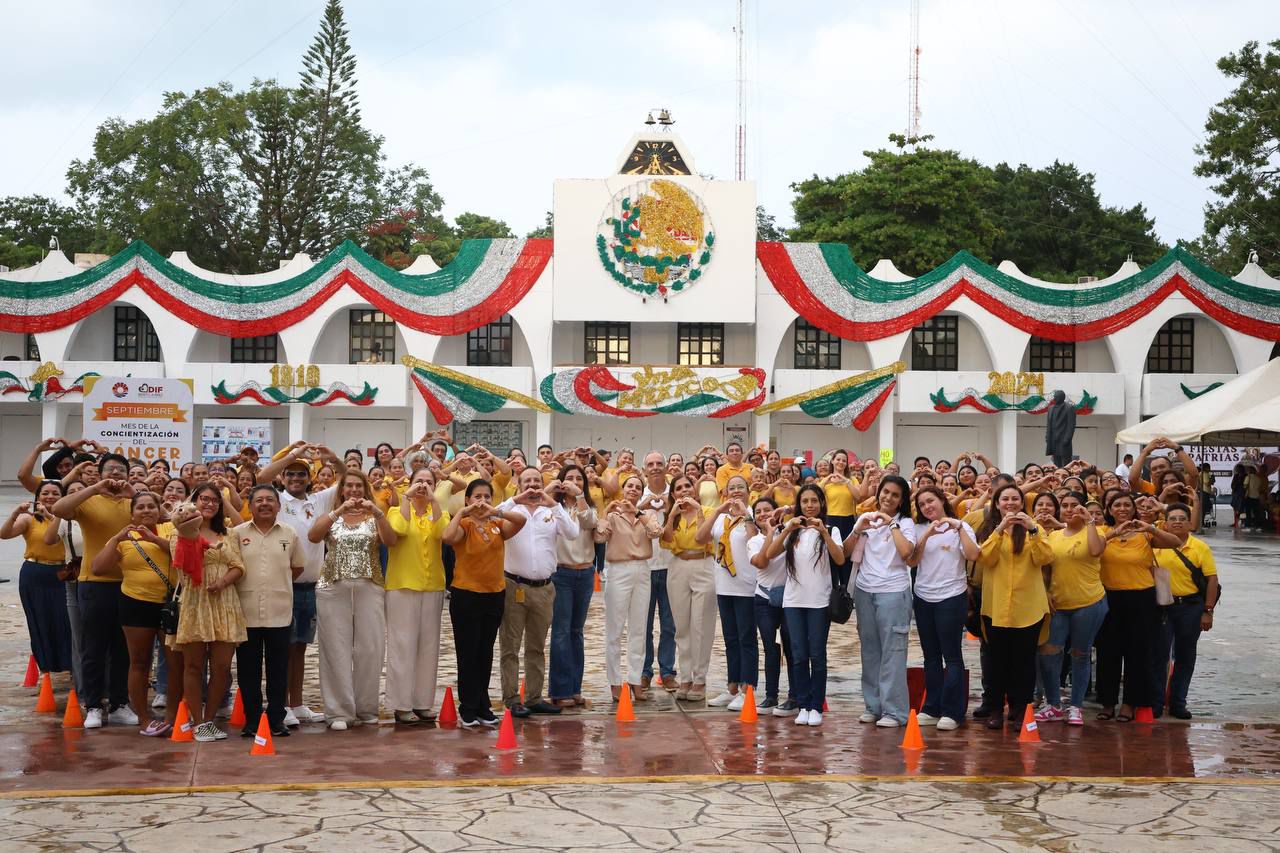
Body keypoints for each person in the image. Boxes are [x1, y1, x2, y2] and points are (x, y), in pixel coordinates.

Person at [257, 444, 341, 726]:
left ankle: (298, 702)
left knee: (301, 647)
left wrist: (330, 457)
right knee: (282, 648)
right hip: (284, 586)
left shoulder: (318, 501)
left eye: (301, 474)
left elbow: (348, 477)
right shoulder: (278, 501)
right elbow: (262, 478)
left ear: (310, 478)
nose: (295, 478)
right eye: (291, 474)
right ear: (284, 477)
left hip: (310, 587)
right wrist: (291, 454)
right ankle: (280, 705)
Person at [51, 453, 136, 729]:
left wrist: (132, 492)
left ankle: (121, 703)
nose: (115, 473)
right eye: (110, 469)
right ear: (100, 473)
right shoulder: (89, 500)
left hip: (129, 583)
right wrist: (94, 489)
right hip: (93, 583)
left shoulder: (133, 502)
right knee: (93, 648)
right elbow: (59, 509)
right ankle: (93, 706)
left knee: (123, 648)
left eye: (121, 470)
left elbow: (160, 515)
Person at [307, 469, 396, 731]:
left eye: (359, 486)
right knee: (335, 648)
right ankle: (338, 712)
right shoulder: (331, 515)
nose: (355, 491)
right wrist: (338, 511)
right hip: (333, 587)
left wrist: (378, 512)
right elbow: (313, 536)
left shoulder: (374, 516)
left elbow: (391, 541)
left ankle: (366, 707)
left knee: (370, 648)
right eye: (350, 487)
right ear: (342, 490)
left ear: (366, 489)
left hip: (370, 585)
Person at [87, 491, 180, 736]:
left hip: (171, 605)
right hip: (136, 604)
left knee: (175, 663)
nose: (147, 511)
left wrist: (153, 538)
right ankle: (144, 718)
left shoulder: (172, 528)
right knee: (139, 662)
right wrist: (116, 538)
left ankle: (172, 716)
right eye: (140, 507)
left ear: (160, 509)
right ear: (132, 513)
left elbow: (184, 554)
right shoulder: (124, 538)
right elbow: (98, 568)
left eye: (152, 506)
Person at [442, 479, 526, 727]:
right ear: (467, 499)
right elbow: (447, 537)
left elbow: (521, 521)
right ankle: (467, 708)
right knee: (467, 653)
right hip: (466, 595)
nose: (482, 501)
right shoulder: (464, 525)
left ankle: (483, 706)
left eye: (487, 497)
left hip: (494, 594)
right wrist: (461, 512)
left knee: (485, 652)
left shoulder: (497, 524)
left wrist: (496, 510)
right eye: (477, 496)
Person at [498, 467, 580, 717]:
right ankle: (511, 699)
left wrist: (553, 504)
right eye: (527, 481)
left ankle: (534, 697)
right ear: (519, 484)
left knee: (536, 646)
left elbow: (573, 533)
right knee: (510, 646)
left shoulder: (552, 512)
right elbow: (491, 515)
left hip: (544, 588)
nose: (532, 485)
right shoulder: (512, 509)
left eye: (537, 480)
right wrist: (515, 499)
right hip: (514, 586)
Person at [170, 483, 248, 742]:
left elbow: (238, 566)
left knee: (222, 667)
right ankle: (197, 720)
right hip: (195, 600)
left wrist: (222, 582)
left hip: (224, 601)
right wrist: (190, 532)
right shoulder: (179, 532)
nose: (209, 504)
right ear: (194, 501)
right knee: (193, 666)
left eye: (215, 500)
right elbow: (181, 565)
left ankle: (210, 718)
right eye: (204, 499)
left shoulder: (229, 534)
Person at [1094, 490, 1181, 722]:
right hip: (1109, 598)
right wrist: (1114, 533)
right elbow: (1093, 549)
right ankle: (1108, 703)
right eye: (1117, 505)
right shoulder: (1103, 531)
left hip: (1142, 599)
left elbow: (1176, 542)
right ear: (1109, 510)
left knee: (1138, 654)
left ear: (1134, 509)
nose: (1122, 509)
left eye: (1126, 505)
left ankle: (1130, 704)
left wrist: (1150, 528)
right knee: (1107, 653)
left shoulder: (1145, 534)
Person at [973, 484, 1053, 730]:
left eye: (1014, 499)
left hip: (1027, 608)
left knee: (1024, 664)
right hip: (996, 608)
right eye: (1004, 499)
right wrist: (999, 530)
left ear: (1022, 502)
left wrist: (1032, 529)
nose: (1010, 503)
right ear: (996, 503)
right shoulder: (989, 529)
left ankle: (1020, 710)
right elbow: (984, 558)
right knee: (996, 663)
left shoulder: (1034, 530)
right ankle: (996, 708)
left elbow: (1045, 558)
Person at [767, 485, 846, 726]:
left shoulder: (831, 529)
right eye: (805, 501)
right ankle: (802, 704)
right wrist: (786, 529)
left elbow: (840, 559)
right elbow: (770, 553)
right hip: (793, 602)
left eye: (814, 501)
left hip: (819, 602)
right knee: (798, 655)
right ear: (799, 504)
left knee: (817, 655)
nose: (810, 505)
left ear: (822, 503)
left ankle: (816, 705)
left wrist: (823, 533)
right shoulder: (793, 531)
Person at [231, 485, 304, 738]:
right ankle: (252, 721)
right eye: (259, 500)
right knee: (248, 670)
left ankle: (276, 719)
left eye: (270, 500)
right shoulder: (237, 534)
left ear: (278, 506)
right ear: (250, 506)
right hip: (245, 611)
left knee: (278, 670)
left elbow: (296, 568)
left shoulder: (290, 533)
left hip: (279, 611)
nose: (264, 504)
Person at [845, 475, 917, 728]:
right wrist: (858, 528)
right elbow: (844, 553)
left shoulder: (905, 523)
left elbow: (907, 552)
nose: (888, 498)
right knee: (870, 650)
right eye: (885, 492)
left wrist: (892, 525)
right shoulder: (866, 519)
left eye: (895, 495)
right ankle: (873, 706)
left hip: (893, 593)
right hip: (865, 591)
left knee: (893, 652)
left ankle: (895, 711)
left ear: (901, 501)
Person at [907, 486, 979, 730]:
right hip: (924, 597)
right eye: (922, 504)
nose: (928, 507)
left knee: (952, 655)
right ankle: (932, 707)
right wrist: (926, 535)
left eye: (931, 501)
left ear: (942, 500)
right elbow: (912, 561)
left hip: (951, 596)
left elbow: (973, 554)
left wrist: (958, 528)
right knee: (931, 656)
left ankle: (953, 711)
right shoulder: (918, 529)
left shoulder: (961, 527)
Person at [1034, 491, 1106, 726]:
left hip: (1089, 602)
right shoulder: (1053, 536)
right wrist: (1045, 593)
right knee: (1048, 653)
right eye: (1064, 505)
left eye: (1075, 505)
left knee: (1080, 654)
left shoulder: (1096, 531)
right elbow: (1045, 568)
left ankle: (1075, 706)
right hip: (1059, 604)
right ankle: (1054, 704)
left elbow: (1096, 551)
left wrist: (1091, 521)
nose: (1069, 509)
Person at [384, 468, 448, 724]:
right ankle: (401, 704)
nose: (423, 485)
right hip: (402, 585)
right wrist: (406, 498)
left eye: (429, 482)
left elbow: (442, 533)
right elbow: (397, 530)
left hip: (432, 585)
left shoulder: (438, 512)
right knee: (402, 645)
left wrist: (433, 501)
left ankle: (423, 702)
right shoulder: (395, 510)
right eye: (419, 481)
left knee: (428, 646)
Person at [597, 473, 663, 702]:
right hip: (619, 570)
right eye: (630, 486)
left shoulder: (644, 516)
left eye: (637, 487)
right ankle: (614, 681)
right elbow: (599, 536)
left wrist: (639, 513)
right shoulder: (613, 515)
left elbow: (657, 532)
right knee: (614, 629)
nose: (633, 490)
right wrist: (607, 512)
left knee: (639, 628)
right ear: (623, 489)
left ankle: (635, 680)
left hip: (643, 570)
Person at [697, 475, 760, 712]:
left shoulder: (753, 514)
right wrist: (716, 511)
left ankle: (748, 688)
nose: (736, 492)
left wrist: (746, 515)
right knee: (730, 639)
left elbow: (756, 540)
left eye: (740, 488)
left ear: (748, 491)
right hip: (724, 585)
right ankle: (732, 686)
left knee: (747, 639)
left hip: (747, 586)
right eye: (731, 488)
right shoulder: (721, 518)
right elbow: (700, 537)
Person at [1153, 503, 1220, 719]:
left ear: (1190, 523)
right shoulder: (1156, 544)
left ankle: (1178, 703)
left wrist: (1207, 610)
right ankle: (1155, 703)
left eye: (1182, 518)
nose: (1178, 522)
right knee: (1160, 655)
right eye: (1173, 518)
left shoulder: (1200, 547)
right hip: (1162, 607)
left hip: (1190, 607)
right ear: (1165, 523)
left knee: (1185, 656)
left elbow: (1212, 580)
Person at [2, 481, 74, 679]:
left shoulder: (68, 517)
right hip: (34, 573)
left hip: (63, 572)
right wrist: (16, 513)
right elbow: (4, 534)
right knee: (39, 620)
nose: (49, 497)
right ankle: (46, 666)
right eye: (45, 493)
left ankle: (68, 663)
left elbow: (63, 534)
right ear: (37, 497)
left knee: (65, 620)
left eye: (55, 493)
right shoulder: (28, 519)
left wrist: (51, 515)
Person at [661, 475, 716, 703]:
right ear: (673, 493)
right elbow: (665, 541)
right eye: (678, 488)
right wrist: (672, 515)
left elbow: (706, 539)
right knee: (681, 626)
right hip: (678, 566)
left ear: (695, 490)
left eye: (687, 486)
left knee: (701, 626)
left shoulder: (709, 511)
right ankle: (685, 677)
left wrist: (699, 511)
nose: (683, 491)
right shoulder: (672, 516)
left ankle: (700, 678)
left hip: (703, 564)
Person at [549, 465, 598, 708]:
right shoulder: (553, 507)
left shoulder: (587, 507)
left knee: (576, 632)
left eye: (579, 479)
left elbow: (589, 524)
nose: (574, 481)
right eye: (569, 478)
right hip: (561, 573)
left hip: (585, 573)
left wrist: (579, 496)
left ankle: (575, 688)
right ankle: (559, 690)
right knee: (560, 632)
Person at [746, 498, 798, 716]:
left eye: (768, 509)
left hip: (789, 598)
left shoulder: (790, 532)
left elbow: (807, 510)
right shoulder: (754, 541)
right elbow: (762, 562)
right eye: (758, 511)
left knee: (792, 647)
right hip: (764, 599)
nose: (763, 514)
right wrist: (769, 532)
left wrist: (787, 510)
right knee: (771, 648)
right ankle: (771, 695)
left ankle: (795, 695)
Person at [639, 451, 676, 692]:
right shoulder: (636, 495)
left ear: (666, 468)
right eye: (650, 464)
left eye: (659, 464)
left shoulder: (676, 495)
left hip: (672, 566)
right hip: (645, 568)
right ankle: (644, 672)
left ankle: (668, 671)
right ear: (644, 470)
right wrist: (639, 507)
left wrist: (670, 505)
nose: (655, 468)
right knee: (644, 624)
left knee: (669, 625)